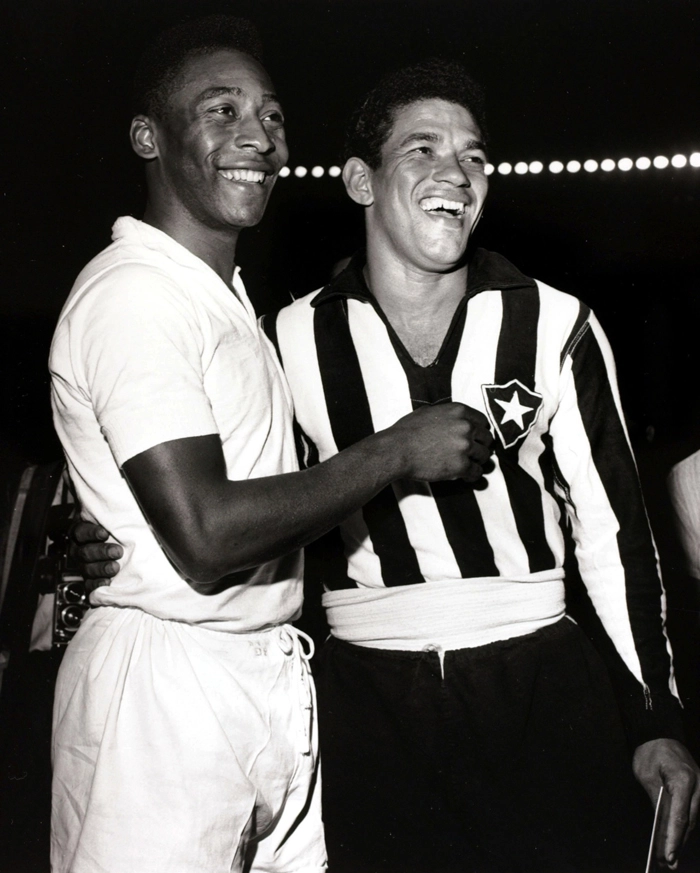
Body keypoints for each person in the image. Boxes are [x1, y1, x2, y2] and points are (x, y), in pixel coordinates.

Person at [76, 57, 700, 872]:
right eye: (423, 150)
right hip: (365, 702)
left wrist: (657, 715)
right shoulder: (285, 340)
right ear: (360, 182)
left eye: (474, 156)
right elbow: (227, 500)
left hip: (541, 682)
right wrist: (100, 532)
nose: (457, 173)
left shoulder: (555, 321)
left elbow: (615, 536)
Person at [48, 21, 494, 873]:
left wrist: (99, 520)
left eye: (273, 115)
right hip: (165, 694)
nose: (258, 136)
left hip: (258, 673)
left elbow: (222, 486)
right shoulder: (136, 293)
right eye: (222, 110)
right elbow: (208, 533)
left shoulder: (226, 299)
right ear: (150, 136)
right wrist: (396, 451)